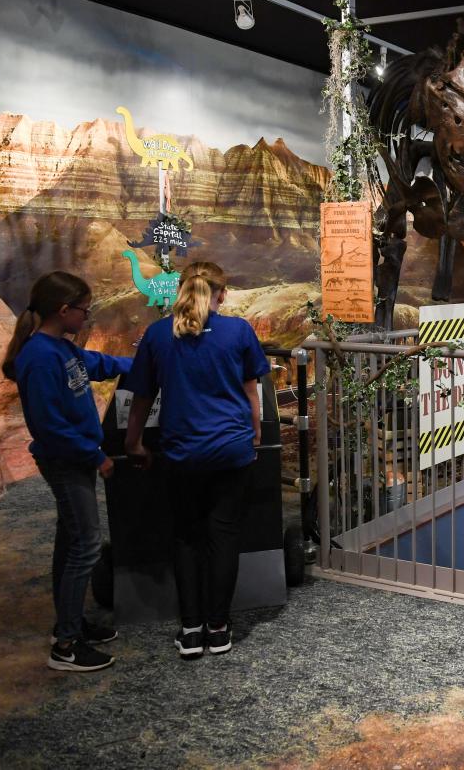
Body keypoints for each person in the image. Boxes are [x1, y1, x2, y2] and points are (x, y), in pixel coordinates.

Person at [123, 261, 270, 659]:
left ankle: (191, 630)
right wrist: (254, 434)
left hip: (181, 453)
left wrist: (134, 443)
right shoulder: (238, 331)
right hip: (230, 451)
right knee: (224, 536)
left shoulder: (157, 335)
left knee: (187, 537)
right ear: (222, 293)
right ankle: (219, 628)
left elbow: (141, 397)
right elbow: (251, 392)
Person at [2, 272, 132, 673]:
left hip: (74, 458)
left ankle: (71, 623)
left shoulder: (62, 349)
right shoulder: (39, 358)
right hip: (66, 460)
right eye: (84, 310)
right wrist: (96, 456)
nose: (87, 317)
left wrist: (153, 359)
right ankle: (66, 646)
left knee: (71, 540)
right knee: (86, 545)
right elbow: (49, 426)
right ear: (64, 310)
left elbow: (100, 363)